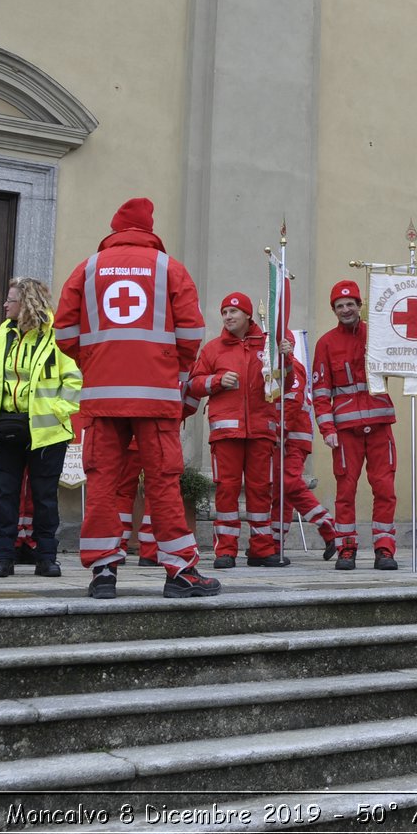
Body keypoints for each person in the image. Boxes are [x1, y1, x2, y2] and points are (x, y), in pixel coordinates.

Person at [55, 197, 217, 600]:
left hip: (102, 398)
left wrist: (96, 362)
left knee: (103, 482)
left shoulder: (87, 269)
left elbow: (63, 333)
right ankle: (180, 572)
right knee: (162, 482)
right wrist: (172, 374)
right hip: (156, 397)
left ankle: (103, 572)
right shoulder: (169, 268)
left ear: (114, 229)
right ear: (150, 229)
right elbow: (191, 334)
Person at [0, 276, 81, 578]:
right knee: (5, 496)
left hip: (47, 431)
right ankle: (2, 557)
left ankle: (47, 557)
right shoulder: (1, 337)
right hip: (6, 427)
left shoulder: (57, 337)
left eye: (10, 299)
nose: (4, 304)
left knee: (45, 498)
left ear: (25, 303)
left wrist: (57, 411)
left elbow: (74, 380)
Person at [187, 292, 288, 569]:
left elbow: (287, 383)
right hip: (226, 433)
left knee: (260, 491)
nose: (228, 317)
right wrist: (218, 380)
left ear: (247, 316)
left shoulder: (268, 347)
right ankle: (226, 551)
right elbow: (194, 385)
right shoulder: (213, 349)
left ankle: (261, 549)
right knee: (226, 491)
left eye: (233, 312)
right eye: (224, 313)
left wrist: (286, 359)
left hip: (261, 431)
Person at [311, 280, 398, 571]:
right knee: (345, 491)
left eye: (350, 304)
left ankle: (384, 549)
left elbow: (402, 362)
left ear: (359, 305)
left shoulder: (379, 334)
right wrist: (327, 430)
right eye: (339, 306)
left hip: (380, 422)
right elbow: (320, 391)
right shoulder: (325, 343)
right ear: (333, 310)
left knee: (385, 488)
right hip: (346, 430)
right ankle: (346, 548)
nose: (345, 309)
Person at [269, 348, 340, 561]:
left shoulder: (292, 366)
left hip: (291, 437)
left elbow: (292, 400)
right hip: (285, 436)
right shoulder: (275, 365)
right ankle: (274, 543)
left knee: (289, 484)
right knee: (280, 490)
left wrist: (280, 430)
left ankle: (327, 525)